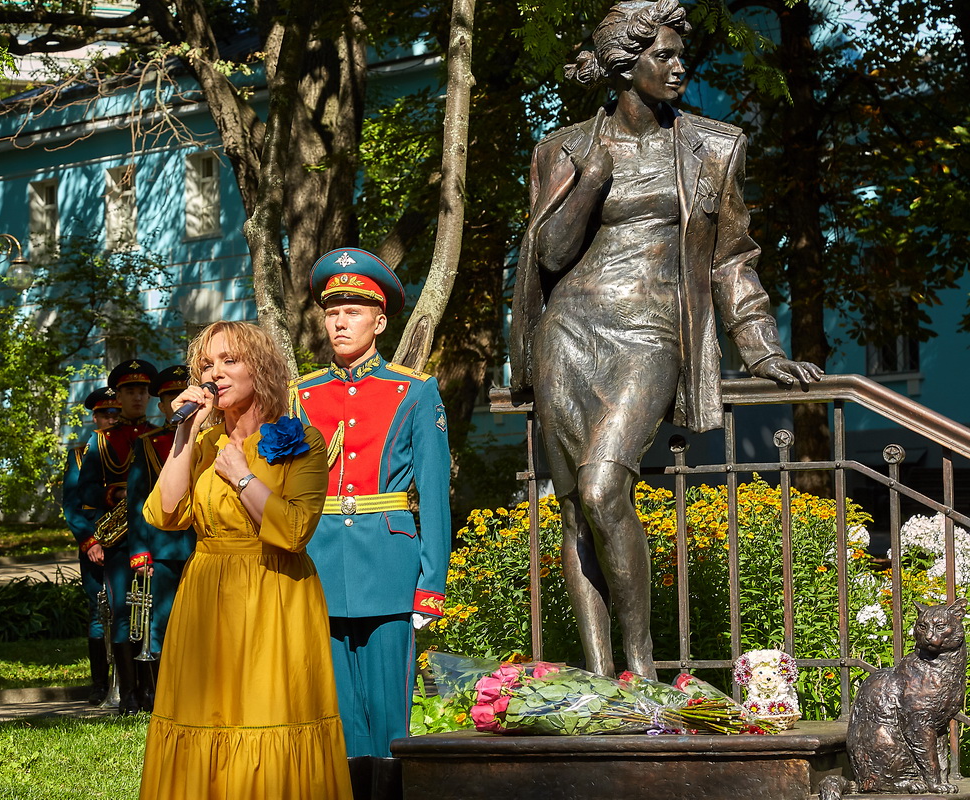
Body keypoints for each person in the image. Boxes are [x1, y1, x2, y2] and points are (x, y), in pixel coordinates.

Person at [508, 0, 822, 678]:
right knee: (571, 511)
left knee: (600, 490)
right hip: (569, 327)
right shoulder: (561, 147)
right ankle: (599, 680)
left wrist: (760, 347)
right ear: (626, 64)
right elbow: (549, 257)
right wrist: (589, 181)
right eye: (664, 55)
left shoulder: (716, 145)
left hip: (653, 331)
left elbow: (733, 257)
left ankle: (642, 669)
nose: (681, 66)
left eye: (683, 54)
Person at [139, 321, 353, 800]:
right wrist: (185, 436)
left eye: (229, 361)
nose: (215, 373)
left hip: (274, 594)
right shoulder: (204, 442)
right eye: (207, 365)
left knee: (267, 714)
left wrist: (241, 477)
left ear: (262, 369)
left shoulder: (302, 440)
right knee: (203, 715)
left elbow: (295, 531)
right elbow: (165, 513)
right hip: (207, 593)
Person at [290, 247, 452, 775]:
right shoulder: (301, 396)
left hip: (388, 566)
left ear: (380, 321)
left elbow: (433, 494)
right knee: (334, 718)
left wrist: (431, 583)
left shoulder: (414, 391)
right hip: (319, 567)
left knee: (389, 722)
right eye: (332, 311)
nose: (340, 322)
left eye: (353, 311)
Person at [77, 359, 159, 715]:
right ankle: (128, 693)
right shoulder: (100, 442)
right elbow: (87, 492)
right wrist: (115, 497)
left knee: (153, 614)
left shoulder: (159, 435)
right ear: (119, 396)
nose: (137, 397)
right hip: (119, 540)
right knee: (124, 613)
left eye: (142, 390)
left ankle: (153, 690)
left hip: (156, 536)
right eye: (130, 391)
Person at [126, 365, 196, 710]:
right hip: (165, 548)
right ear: (162, 404)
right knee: (163, 621)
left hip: (208, 544)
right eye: (169, 397)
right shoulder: (149, 444)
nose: (177, 401)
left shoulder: (211, 435)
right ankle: (161, 695)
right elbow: (137, 502)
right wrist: (140, 551)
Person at [62, 386, 123, 705]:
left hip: (128, 541)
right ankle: (100, 684)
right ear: (95, 418)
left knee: (131, 609)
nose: (112, 419)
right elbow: (71, 506)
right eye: (106, 414)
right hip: (96, 546)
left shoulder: (134, 450)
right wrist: (90, 543)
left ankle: (131, 682)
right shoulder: (79, 456)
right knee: (99, 613)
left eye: (117, 413)